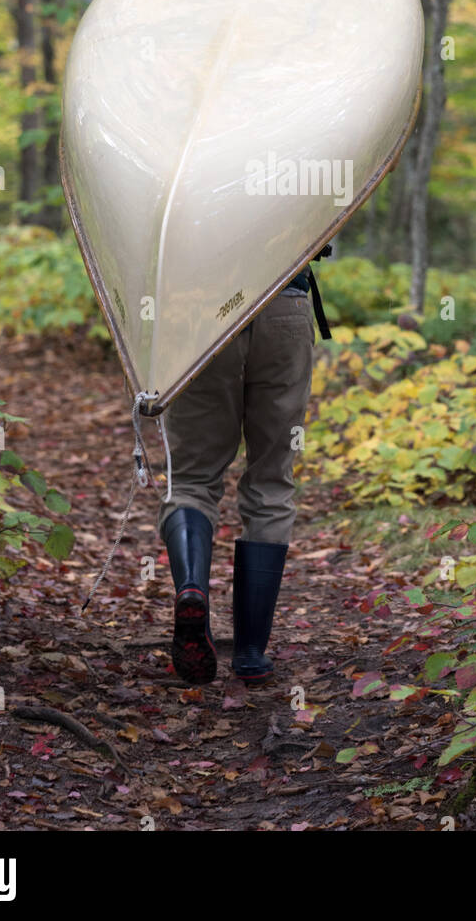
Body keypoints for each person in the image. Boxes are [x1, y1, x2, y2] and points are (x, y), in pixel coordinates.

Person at [159, 254, 329, 686]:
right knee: (272, 478)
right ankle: (251, 651)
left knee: (193, 480)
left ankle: (192, 588)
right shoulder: (295, 181)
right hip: (285, 304)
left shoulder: (184, 181)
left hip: (204, 311)